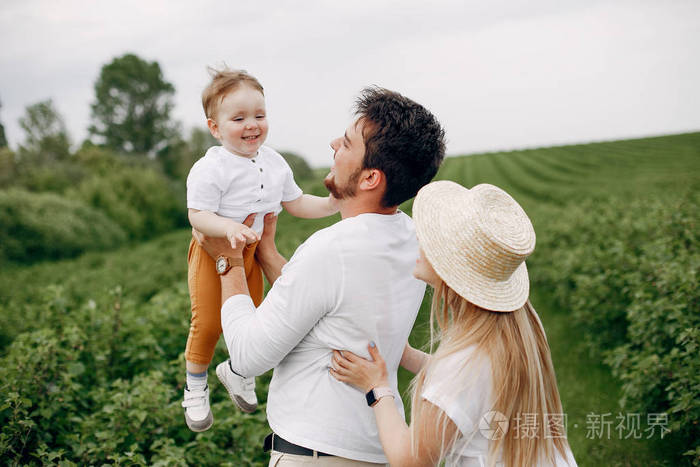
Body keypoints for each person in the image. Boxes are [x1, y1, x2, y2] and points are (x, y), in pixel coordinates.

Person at [196, 86, 445, 465]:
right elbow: (326, 304)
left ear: (370, 179)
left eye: (346, 144)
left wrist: (226, 263)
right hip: (374, 448)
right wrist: (268, 255)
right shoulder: (410, 236)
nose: (332, 144)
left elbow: (247, 357)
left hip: (314, 454)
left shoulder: (330, 250)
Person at [330, 180, 578, 466]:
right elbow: (474, 388)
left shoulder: (462, 362)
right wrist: (407, 356)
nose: (420, 240)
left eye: (432, 237)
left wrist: (377, 387)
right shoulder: (517, 328)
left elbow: (411, 459)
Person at [182, 67, 339, 432]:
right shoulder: (212, 167)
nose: (252, 124)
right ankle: (195, 386)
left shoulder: (274, 162)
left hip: (249, 253)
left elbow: (296, 202)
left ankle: (240, 372)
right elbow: (197, 215)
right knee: (207, 323)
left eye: (259, 115)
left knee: (250, 321)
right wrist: (229, 227)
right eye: (238, 118)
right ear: (215, 128)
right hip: (212, 253)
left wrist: (331, 205)